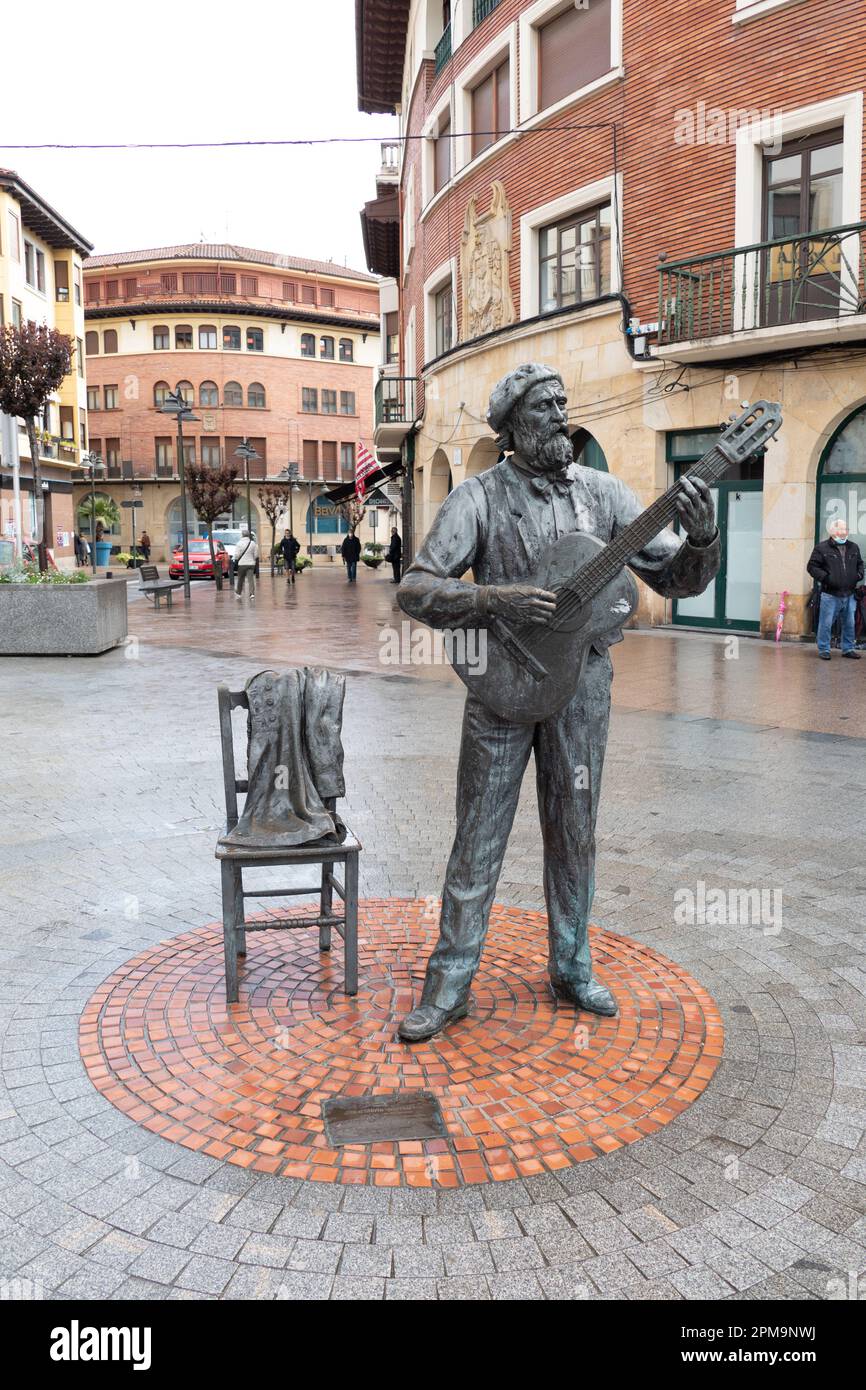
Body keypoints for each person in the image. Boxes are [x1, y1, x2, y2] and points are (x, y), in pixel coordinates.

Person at [395, 363, 720, 1042]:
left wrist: (704, 538)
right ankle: (449, 981)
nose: (560, 416)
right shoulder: (480, 497)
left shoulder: (605, 497)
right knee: (478, 836)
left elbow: (679, 581)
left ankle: (571, 964)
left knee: (575, 829)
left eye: (563, 404)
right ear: (514, 424)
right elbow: (416, 589)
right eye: (544, 407)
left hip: (582, 688)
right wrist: (495, 599)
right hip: (501, 688)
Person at [807, 518, 863, 660]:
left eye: (846, 529)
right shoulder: (822, 548)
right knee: (826, 623)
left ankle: (848, 649)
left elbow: (860, 564)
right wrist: (826, 578)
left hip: (850, 593)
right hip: (830, 594)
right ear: (833, 532)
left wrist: (859, 575)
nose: (845, 532)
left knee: (849, 623)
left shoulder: (853, 547)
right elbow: (812, 567)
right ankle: (824, 649)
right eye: (842, 529)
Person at [234, 525, 258, 601]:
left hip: (242, 564)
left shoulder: (239, 543)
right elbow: (256, 554)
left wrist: (237, 559)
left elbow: (237, 555)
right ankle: (252, 594)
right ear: (249, 535)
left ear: (242, 535)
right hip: (251, 564)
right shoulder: (253, 543)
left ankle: (238, 593)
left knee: (240, 579)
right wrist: (253, 560)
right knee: (251, 579)